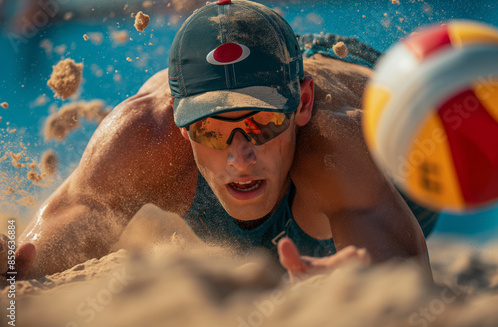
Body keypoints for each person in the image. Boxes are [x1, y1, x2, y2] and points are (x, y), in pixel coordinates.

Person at [1, 0, 438, 283]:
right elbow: (29, 257)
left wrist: (359, 286)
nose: (240, 157)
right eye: (209, 129)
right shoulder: (145, 134)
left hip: (385, 109)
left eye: (262, 125)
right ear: (178, 118)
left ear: (301, 105)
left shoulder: (333, 142)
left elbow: (407, 290)